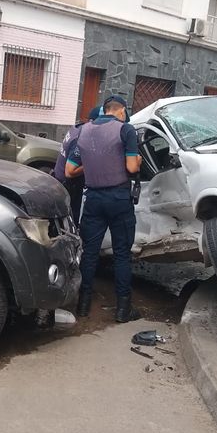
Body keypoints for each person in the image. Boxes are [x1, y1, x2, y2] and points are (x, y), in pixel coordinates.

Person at [65, 95, 142, 323]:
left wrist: (91, 166)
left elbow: (70, 169)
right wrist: (137, 160)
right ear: (121, 111)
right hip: (119, 199)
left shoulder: (85, 130)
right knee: (121, 254)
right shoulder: (126, 130)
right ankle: (122, 309)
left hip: (94, 199)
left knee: (89, 253)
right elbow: (130, 166)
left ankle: (83, 305)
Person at [52, 106, 101, 225]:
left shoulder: (77, 128)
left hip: (60, 180)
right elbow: (70, 172)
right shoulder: (82, 137)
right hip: (68, 186)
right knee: (70, 220)